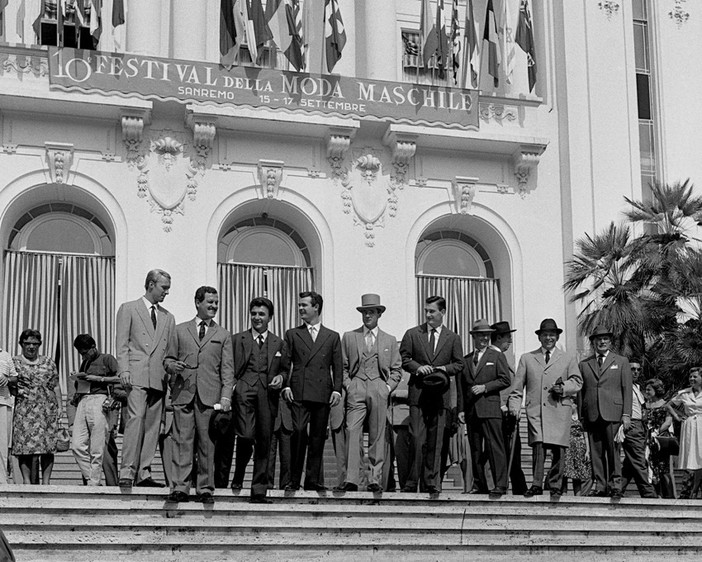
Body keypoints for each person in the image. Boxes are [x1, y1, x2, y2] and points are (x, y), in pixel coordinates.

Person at [163, 286, 234, 503]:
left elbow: (227, 371)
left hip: (209, 398)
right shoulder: (180, 330)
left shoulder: (222, 334)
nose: (213, 306)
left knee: (207, 443)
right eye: (210, 302)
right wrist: (171, 366)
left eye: (216, 303)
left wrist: (225, 397)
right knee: (182, 442)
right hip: (183, 394)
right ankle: (180, 487)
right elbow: (167, 360)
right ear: (197, 302)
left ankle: (205, 488)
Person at [508, 318, 582, 499]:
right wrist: (514, 406)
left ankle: (555, 484)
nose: (549, 338)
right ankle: (536, 484)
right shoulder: (527, 358)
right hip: (536, 411)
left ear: (556, 337)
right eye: (545, 335)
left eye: (552, 335)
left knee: (559, 449)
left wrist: (563, 387)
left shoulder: (567, 358)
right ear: (539, 337)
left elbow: (577, 381)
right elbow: (517, 387)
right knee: (538, 447)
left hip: (558, 409)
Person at [116, 269, 176, 489]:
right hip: (136, 375)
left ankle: (144, 472)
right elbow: (122, 343)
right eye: (164, 288)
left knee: (152, 427)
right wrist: (124, 370)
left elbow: (168, 351)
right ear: (151, 285)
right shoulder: (129, 309)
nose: (166, 293)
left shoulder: (168, 317)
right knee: (135, 420)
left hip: (158, 378)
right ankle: (127, 471)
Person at [339, 294, 402, 493]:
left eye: (371, 312)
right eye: (365, 312)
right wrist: (349, 385)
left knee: (377, 434)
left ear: (379, 314)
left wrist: (387, 388)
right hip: (356, 385)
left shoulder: (390, 340)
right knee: (352, 430)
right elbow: (342, 366)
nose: (367, 315)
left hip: (379, 387)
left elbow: (397, 369)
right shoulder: (349, 337)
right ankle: (352, 478)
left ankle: (374, 478)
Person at [400, 296, 463, 494]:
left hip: (440, 396)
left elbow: (459, 364)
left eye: (432, 311)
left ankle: (432, 483)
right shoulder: (412, 334)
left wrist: (443, 368)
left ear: (442, 312)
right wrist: (418, 368)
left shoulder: (452, 338)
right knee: (417, 438)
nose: (428, 315)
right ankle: (411, 482)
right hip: (418, 394)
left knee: (436, 442)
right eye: (426, 310)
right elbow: (404, 358)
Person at [230, 297, 289, 504]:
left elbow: (284, 369)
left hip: (268, 395)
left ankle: (258, 491)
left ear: (270, 317)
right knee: (245, 435)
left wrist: (281, 378)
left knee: (264, 442)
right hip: (244, 391)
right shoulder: (238, 339)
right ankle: (238, 474)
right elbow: (230, 366)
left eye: (261, 314)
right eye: (254, 313)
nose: (257, 317)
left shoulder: (278, 342)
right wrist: (234, 387)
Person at [282, 291, 342, 491]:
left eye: (304, 305)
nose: (300, 308)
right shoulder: (292, 333)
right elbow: (286, 362)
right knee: (298, 432)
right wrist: (287, 385)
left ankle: (312, 480)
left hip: (322, 392)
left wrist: (336, 390)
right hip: (299, 390)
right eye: (299, 305)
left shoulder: (332, 336)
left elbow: (337, 366)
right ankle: (293, 479)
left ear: (316, 307)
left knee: (317, 437)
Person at [458, 319, 510, 497]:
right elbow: (462, 387)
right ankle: (480, 484)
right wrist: (461, 409)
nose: (484, 338)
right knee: (475, 450)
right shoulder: (466, 360)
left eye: (487, 335)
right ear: (474, 337)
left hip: (490, 409)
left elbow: (505, 379)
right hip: (472, 411)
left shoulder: (496, 356)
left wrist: (485, 387)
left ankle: (500, 484)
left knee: (495, 447)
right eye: (480, 335)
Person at [579, 326, 632, 498]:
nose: (602, 342)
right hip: (592, 413)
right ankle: (601, 485)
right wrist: (581, 415)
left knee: (613, 452)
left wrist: (626, 414)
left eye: (605, 339)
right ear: (593, 342)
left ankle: (616, 485)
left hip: (614, 413)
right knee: (596, 453)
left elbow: (627, 389)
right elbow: (581, 391)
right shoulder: (585, 364)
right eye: (598, 339)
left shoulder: (621, 361)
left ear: (610, 342)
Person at [11, 329, 62, 485]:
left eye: (35, 343)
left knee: (47, 448)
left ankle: (46, 483)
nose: (31, 347)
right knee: (24, 448)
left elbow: (56, 385)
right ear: (21, 344)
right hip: (24, 410)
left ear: (39, 344)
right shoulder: (14, 362)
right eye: (27, 343)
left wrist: (59, 406)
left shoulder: (48, 362)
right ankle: (26, 482)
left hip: (47, 410)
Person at [68, 334, 120, 486]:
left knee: (97, 447)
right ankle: (93, 479)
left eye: (85, 352)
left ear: (93, 347)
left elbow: (120, 377)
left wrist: (100, 379)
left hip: (100, 399)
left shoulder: (107, 359)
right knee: (77, 445)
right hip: (84, 399)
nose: (84, 356)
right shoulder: (85, 363)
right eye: (81, 353)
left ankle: (94, 482)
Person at [490, 321, 527, 496]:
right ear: (498, 338)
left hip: (509, 411)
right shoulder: (493, 356)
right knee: (506, 452)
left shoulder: (503, 357)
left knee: (514, 454)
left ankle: (519, 488)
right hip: (501, 412)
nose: (510, 341)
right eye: (507, 337)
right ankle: (512, 487)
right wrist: (503, 405)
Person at [620, 361, 657, 498]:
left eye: (638, 370)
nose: (635, 372)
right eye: (632, 369)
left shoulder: (637, 387)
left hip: (640, 426)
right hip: (631, 424)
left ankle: (618, 488)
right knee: (638, 460)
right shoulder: (623, 386)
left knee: (631, 462)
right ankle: (648, 492)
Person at [667, 367, 702, 499]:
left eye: (695, 376)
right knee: (691, 457)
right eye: (690, 377)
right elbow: (668, 405)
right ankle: (686, 491)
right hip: (690, 426)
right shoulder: (684, 393)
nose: (692, 379)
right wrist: (677, 416)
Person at [644, 378, 675, 498]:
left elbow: (668, 421)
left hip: (661, 439)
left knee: (663, 468)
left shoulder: (665, 404)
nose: (646, 391)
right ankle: (655, 493)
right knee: (651, 466)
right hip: (648, 439)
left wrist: (657, 431)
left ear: (656, 390)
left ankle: (668, 495)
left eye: (649, 389)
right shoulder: (645, 405)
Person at [560, 403, 591, 496]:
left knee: (578, 473)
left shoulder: (581, 418)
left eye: (573, 403)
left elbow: (585, 435)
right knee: (565, 472)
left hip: (579, 447)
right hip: (567, 446)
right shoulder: (565, 415)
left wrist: (588, 450)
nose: (572, 405)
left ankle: (577, 496)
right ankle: (563, 495)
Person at [0, 345, 18, 485]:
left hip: (3, 402)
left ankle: (2, 480)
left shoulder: (5, 355)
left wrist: (7, 380)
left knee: (2, 444)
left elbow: (15, 378)